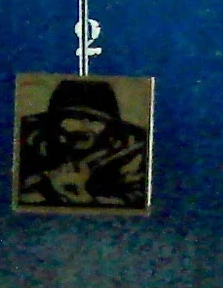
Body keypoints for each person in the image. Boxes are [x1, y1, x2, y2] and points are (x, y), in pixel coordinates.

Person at [16, 77, 150, 209]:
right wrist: (46, 187)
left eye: (94, 120)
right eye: (73, 118)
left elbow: (138, 201)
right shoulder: (31, 141)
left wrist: (86, 199)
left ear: (109, 125)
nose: (83, 126)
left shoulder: (131, 152)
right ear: (55, 120)